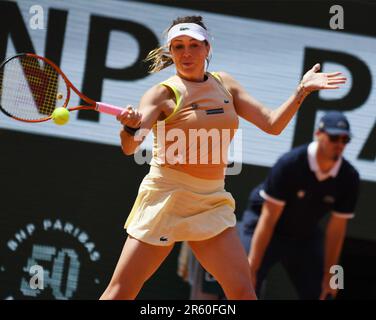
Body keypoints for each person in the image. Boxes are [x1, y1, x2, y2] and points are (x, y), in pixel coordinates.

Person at [99, 15, 347, 300]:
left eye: (194, 44)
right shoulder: (161, 94)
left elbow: (272, 124)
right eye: (178, 46)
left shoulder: (224, 84)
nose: (186, 53)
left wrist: (301, 90)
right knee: (121, 293)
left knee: (243, 293)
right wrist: (130, 128)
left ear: (207, 48)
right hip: (167, 197)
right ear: (170, 52)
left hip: (211, 200)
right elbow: (130, 146)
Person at [238, 111, 360, 300]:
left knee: (331, 290)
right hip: (263, 225)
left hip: (305, 234)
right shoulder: (290, 164)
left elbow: (337, 230)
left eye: (345, 140)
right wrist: (252, 267)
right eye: (334, 137)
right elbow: (268, 218)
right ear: (318, 134)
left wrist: (331, 273)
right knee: (241, 284)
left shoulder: (349, 177)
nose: (339, 145)